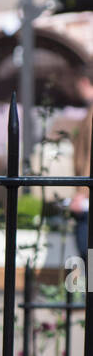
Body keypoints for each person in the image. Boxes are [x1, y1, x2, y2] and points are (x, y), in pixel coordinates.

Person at [70, 62, 93, 260]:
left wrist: (83, 193)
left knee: (88, 255)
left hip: (87, 197)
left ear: (84, 82)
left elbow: (89, 157)